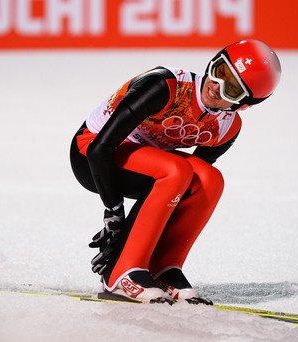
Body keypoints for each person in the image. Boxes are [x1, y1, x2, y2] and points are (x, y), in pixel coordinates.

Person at [70, 39, 281, 303]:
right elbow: (100, 148)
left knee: (208, 179)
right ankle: (121, 273)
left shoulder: (227, 128)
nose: (216, 87)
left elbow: (186, 196)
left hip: (150, 167)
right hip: (92, 153)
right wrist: (114, 216)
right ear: (212, 61)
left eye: (233, 90)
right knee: (176, 170)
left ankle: (162, 267)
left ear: (244, 104)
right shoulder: (165, 86)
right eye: (220, 71)